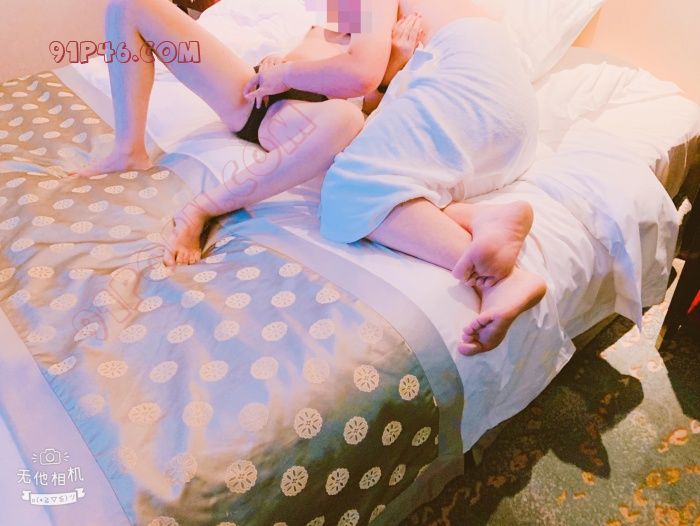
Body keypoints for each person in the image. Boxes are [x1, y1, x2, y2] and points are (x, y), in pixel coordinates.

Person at [72, 0, 399, 265]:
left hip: (302, 111)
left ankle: (203, 208)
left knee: (346, 119)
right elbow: (315, 52)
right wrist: (280, 61)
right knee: (128, 5)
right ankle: (128, 150)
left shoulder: (381, 14)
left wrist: (394, 64)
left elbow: (364, 85)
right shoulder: (336, 13)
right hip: (256, 89)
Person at [320, 0, 547, 355]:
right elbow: (374, 90)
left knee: (348, 189)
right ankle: (483, 217)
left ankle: (500, 280)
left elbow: (360, 74)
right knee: (407, 186)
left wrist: (283, 75)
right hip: (511, 127)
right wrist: (393, 64)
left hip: (469, 93)